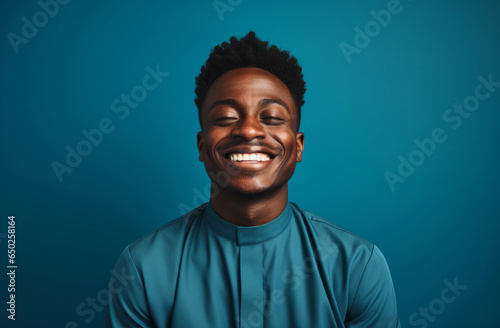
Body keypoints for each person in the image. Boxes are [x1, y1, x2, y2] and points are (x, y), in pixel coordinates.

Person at [105, 31, 401, 328]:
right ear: (201, 146)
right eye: (225, 117)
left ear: (298, 146)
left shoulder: (358, 266)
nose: (248, 131)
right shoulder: (141, 269)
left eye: (271, 117)